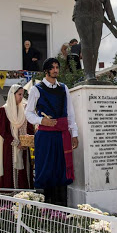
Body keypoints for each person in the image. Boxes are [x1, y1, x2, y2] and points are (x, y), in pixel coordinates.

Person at [25, 57, 78, 206]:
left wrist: (74, 133)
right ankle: (47, 210)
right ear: (46, 70)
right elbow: (28, 114)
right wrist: (42, 121)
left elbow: (70, 113)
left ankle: (62, 210)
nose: (56, 70)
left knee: (62, 170)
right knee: (46, 170)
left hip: (62, 134)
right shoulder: (37, 89)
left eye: (57, 67)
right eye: (52, 67)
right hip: (45, 136)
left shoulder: (64, 88)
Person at [0, 84, 34, 189]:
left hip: (24, 147)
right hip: (10, 148)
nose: (21, 97)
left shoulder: (25, 109)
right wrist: (16, 143)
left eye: (23, 94)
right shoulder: (4, 110)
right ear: (12, 95)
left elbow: (30, 128)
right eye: (19, 94)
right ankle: (10, 202)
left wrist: (27, 139)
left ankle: (26, 199)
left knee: (24, 172)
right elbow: (3, 131)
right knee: (10, 171)